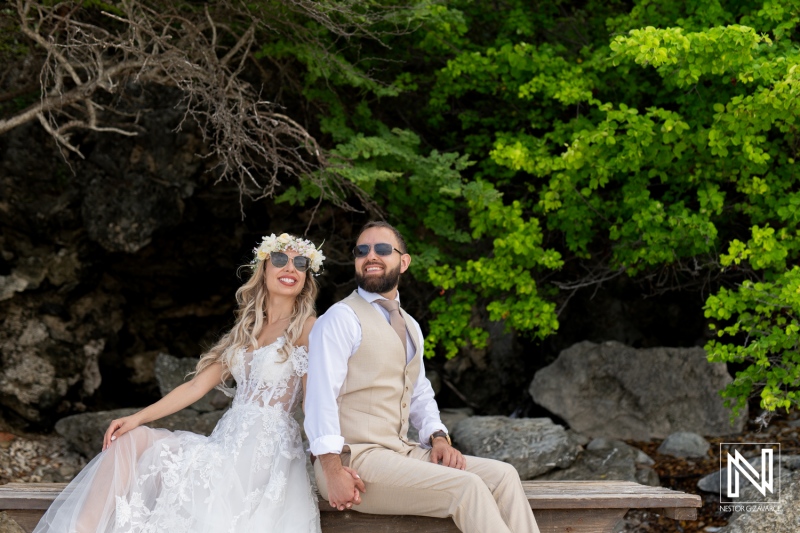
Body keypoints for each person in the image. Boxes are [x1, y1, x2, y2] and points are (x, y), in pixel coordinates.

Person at [34, 233, 339, 533]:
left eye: (300, 262)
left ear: (306, 276)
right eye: (279, 259)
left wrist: (331, 462)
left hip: (263, 457)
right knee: (132, 438)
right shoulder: (246, 330)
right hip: (225, 446)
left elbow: (314, 401)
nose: (290, 267)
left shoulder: (309, 328)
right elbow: (195, 387)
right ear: (264, 269)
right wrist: (136, 417)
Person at [304, 221, 541, 533]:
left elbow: (418, 391)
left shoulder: (410, 326)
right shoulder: (340, 318)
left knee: (504, 475)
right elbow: (320, 397)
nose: (371, 256)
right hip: (354, 460)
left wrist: (438, 437)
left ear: (403, 262)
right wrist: (332, 471)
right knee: (466, 488)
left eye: (382, 249)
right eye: (362, 250)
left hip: (400, 451)